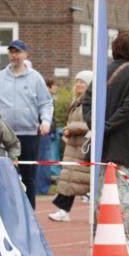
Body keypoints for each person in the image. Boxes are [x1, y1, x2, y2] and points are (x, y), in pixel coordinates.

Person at [82, 30, 129, 256]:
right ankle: (121, 239)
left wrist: (98, 127)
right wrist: (109, 125)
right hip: (128, 143)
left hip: (102, 146)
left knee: (101, 193)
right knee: (125, 194)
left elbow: (87, 102)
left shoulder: (101, 72)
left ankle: (99, 237)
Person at [0, 40, 53, 210]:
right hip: (5, 135)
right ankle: (5, 209)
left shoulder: (35, 78)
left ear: (25, 55)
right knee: (4, 174)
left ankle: (29, 211)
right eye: (12, 52)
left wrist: (45, 121)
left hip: (29, 133)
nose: (14, 55)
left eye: (18, 52)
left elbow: (46, 103)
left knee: (28, 175)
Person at [48, 71, 92, 222]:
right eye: (77, 81)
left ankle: (63, 209)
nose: (79, 85)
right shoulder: (76, 102)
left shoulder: (90, 103)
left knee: (75, 180)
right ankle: (63, 209)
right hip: (73, 146)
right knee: (70, 179)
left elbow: (90, 123)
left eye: (83, 82)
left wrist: (71, 128)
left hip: (83, 147)